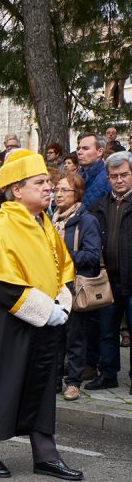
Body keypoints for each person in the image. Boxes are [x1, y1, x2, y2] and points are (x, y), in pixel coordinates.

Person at [0, 149, 83, 481]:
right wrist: (46, 310)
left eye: (49, 181)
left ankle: (45, 454)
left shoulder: (43, 222)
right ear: (17, 189)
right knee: (1, 386)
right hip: (11, 325)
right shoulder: (4, 226)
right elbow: (0, 285)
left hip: (44, 323)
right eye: (40, 182)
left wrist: (62, 301)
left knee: (41, 387)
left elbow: (63, 266)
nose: (49, 187)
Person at [50, 171, 100, 401]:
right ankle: (54, 381)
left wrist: (63, 255)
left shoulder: (86, 220)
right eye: (56, 189)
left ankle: (74, 382)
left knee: (75, 337)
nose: (58, 194)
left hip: (74, 285)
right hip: (52, 285)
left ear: (77, 193)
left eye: (64, 190)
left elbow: (92, 255)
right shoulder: (52, 219)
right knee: (54, 336)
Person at [86, 151, 132, 393]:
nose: (119, 180)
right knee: (107, 332)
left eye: (124, 174)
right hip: (107, 281)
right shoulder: (99, 206)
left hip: (131, 279)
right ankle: (108, 374)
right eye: (114, 176)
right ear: (108, 178)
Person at [77, 132, 110, 211]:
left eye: (85, 148)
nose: (79, 152)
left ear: (100, 152)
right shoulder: (77, 176)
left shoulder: (108, 178)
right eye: (78, 149)